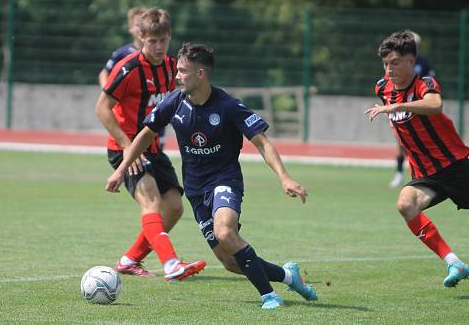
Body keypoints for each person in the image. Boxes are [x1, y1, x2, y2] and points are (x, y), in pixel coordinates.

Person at [106, 43, 318, 309]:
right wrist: (121, 169)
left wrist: (284, 177)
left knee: (225, 232)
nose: (177, 76)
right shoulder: (174, 102)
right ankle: (289, 276)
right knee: (230, 262)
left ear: (201, 74)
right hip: (196, 190)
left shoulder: (228, 105)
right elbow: (145, 135)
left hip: (225, 180)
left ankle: (269, 295)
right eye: (177, 71)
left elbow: (262, 142)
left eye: (183, 71)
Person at [365, 30, 469, 288]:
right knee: (405, 205)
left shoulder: (425, 84)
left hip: (456, 169)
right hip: (426, 174)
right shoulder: (382, 88)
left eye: (396, 63)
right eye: (386, 64)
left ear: (412, 60)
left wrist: (397, 107)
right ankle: (454, 262)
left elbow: (435, 105)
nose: (389, 69)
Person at [95, 8, 206, 281]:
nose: (158, 46)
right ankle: (170, 263)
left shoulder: (171, 67)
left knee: (175, 207)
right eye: (152, 41)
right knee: (152, 201)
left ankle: (129, 259)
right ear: (141, 36)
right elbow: (102, 108)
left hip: (153, 148)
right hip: (126, 148)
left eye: (163, 40)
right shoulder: (128, 68)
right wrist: (126, 148)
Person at [98, 6, 167, 147]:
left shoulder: (160, 54)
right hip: (131, 117)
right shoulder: (124, 54)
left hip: (152, 110)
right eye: (136, 25)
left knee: (157, 153)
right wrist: (111, 92)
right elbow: (104, 73)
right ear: (131, 29)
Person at [389, 31, 436, 188]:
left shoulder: (423, 62)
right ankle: (399, 174)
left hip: (419, 109)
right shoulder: (397, 62)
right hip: (402, 108)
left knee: (421, 143)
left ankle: (424, 175)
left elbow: (430, 83)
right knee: (402, 144)